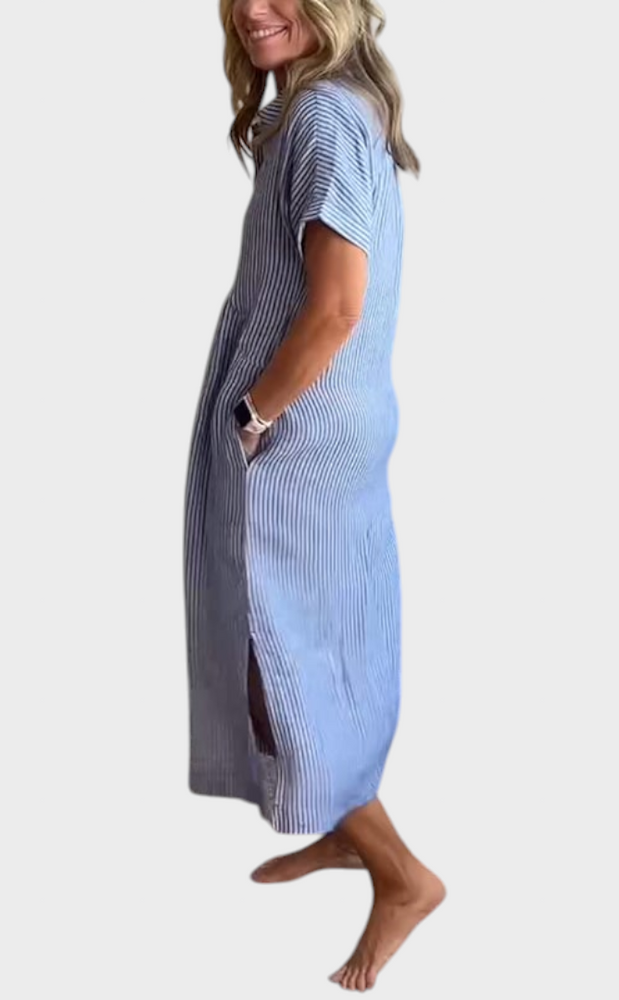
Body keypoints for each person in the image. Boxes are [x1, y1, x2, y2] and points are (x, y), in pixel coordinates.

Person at [183, 1, 445, 989]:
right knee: (323, 649)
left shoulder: (326, 119)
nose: (253, 10)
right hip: (333, 429)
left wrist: (255, 413)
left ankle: (400, 874)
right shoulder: (333, 106)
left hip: (297, 438)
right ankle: (343, 826)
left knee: (277, 660)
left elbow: (335, 307)